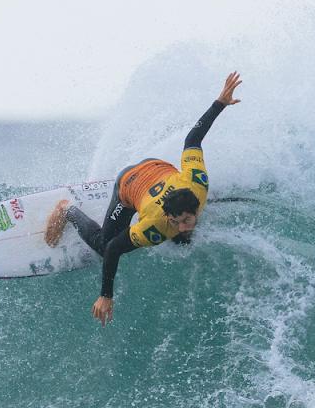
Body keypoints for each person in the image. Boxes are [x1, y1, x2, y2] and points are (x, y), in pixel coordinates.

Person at [45, 72, 242, 323]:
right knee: (102, 245)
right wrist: (106, 295)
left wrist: (220, 103)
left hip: (156, 166)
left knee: (182, 239)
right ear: (167, 216)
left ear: (195, 207)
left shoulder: (197, 182)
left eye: (187, 219)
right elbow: (114, 249)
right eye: (177, 221)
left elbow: (193, 139)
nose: (182, 225)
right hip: (129, 185)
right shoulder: (153, 228)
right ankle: (68, 211)